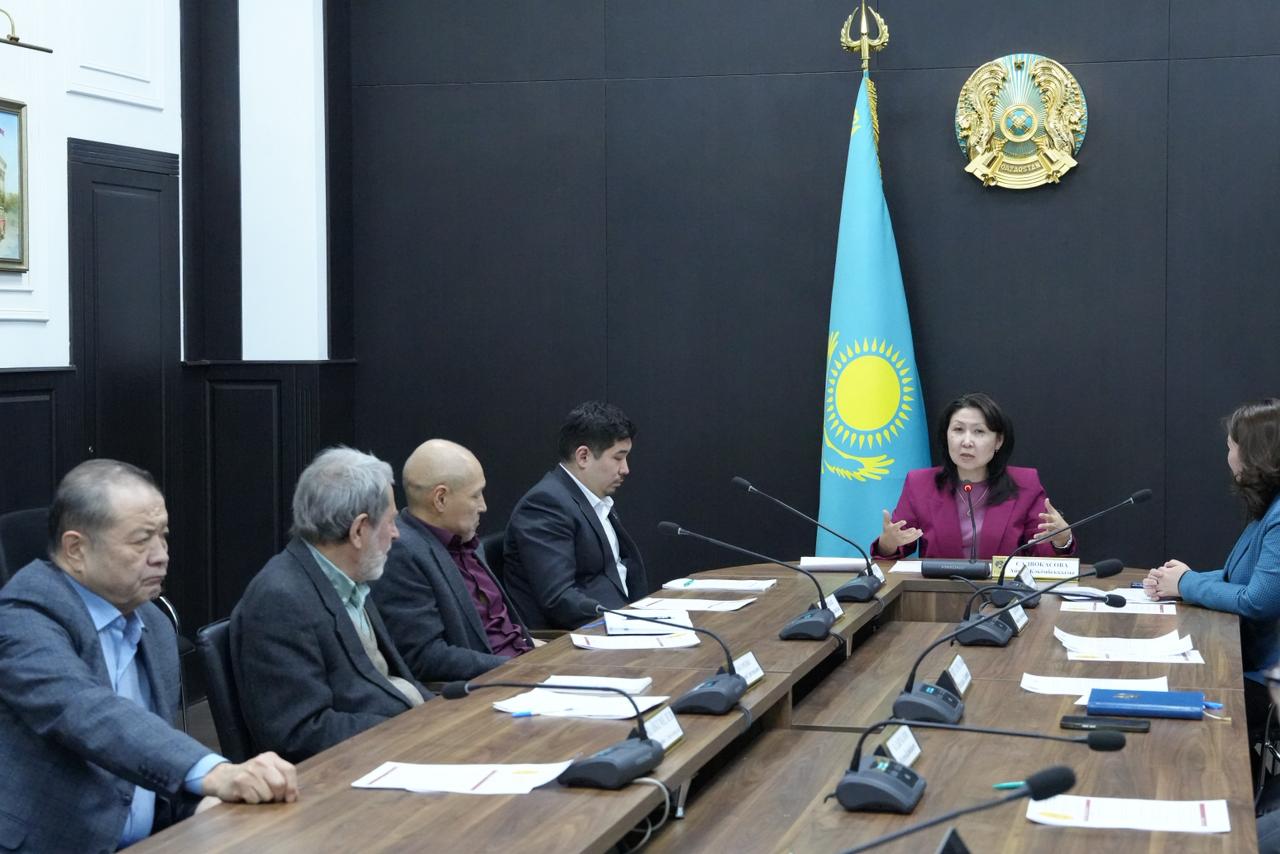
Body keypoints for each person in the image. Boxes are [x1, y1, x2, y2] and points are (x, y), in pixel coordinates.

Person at [0, 459, 297, 852]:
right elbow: (90, 714)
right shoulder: (22, 617)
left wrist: (198, 806)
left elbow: (142, 775)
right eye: (141, 540)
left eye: (163, 536)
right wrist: (214, 772)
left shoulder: (153, 625)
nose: (161, 555)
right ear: (76, 549)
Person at [231, 446, 430, 764]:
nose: (396, 534)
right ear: (358, 530)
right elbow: (299, 732)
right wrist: (410, 730)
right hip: (354, 770)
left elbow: (383, 678)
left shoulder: (350, 576)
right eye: (391, 521)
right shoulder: (280, 600)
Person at [1144, 399, 1280, 734]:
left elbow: (1258, 600)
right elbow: (1244, 578)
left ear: (1253, 454)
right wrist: (1176, 581)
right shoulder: (1269, 508)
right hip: (1256, 667)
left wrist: (1186, 583)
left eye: (1231, 447)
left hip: (1265, 681)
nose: (1228, 457)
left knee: (1176, 700)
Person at [372, 439, 537, 683]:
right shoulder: (402, 553)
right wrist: (519, 667)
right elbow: (425, 657)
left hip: (528, 666)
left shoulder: (466, 539)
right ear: (440, 499)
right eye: (475, 495)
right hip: (492, 685)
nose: (483, 506)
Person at [871, 392, 1076, 560]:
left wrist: (1061, 539)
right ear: (946, 435)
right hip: (937, 593)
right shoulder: (920, 484)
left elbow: (1042, 553)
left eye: (979, 432)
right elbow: (896, 549)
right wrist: (888, 544)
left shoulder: (1025, 483)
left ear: (998, 441)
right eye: (958, 430)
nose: (967, 442)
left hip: (1003, 592)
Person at [505, 401, 648, 629]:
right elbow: (559, 599)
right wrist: (627, 622)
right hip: (581, 636)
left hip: (621, 621)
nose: (625, 469)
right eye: (618, 457)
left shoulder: (593, 499)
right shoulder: (545, 504)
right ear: (583, 457)